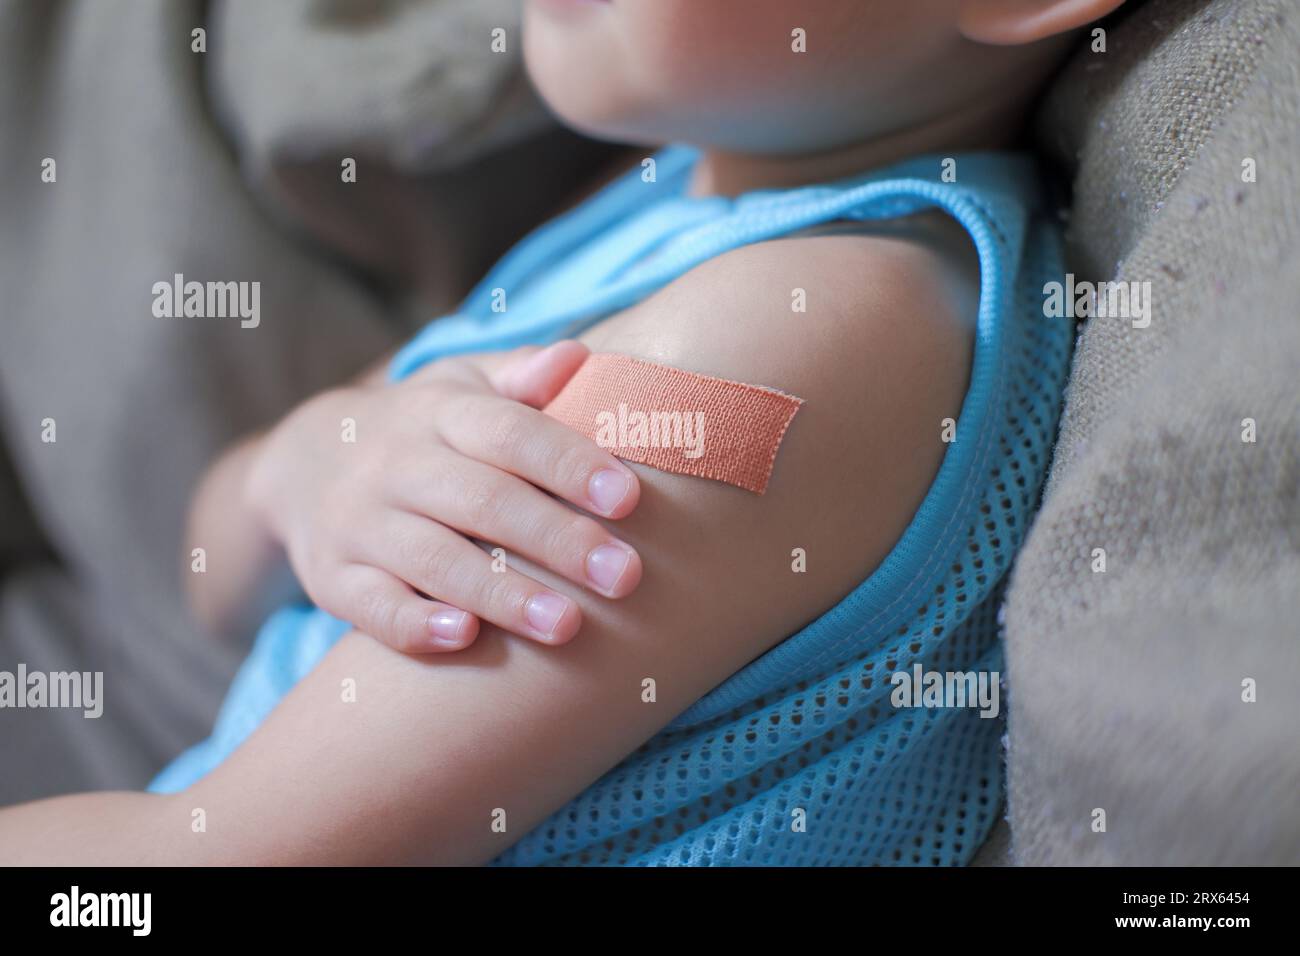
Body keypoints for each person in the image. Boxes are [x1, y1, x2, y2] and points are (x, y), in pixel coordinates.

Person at [0, 0, 1120, 865]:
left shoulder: (798, 331)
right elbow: (213, 578)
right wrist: (311, 468)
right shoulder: (666, 202)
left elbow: (211, 855)